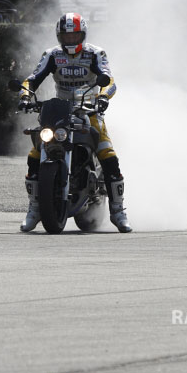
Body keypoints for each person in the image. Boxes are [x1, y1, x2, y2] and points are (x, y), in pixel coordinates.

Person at [17, 12, 132, 233]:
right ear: (59, 36)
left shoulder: (95, 53)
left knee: (108, 155)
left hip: (89, 110)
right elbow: (32, 79)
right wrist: (24, 97)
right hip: (58, 110)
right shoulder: (52, 55)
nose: (70, 39)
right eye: (66, 36)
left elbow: (109, 81)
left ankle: (118, 211)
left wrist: (103, 98)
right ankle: (35, 208)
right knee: (35, 154)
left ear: (83, 35)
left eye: (75, 35)